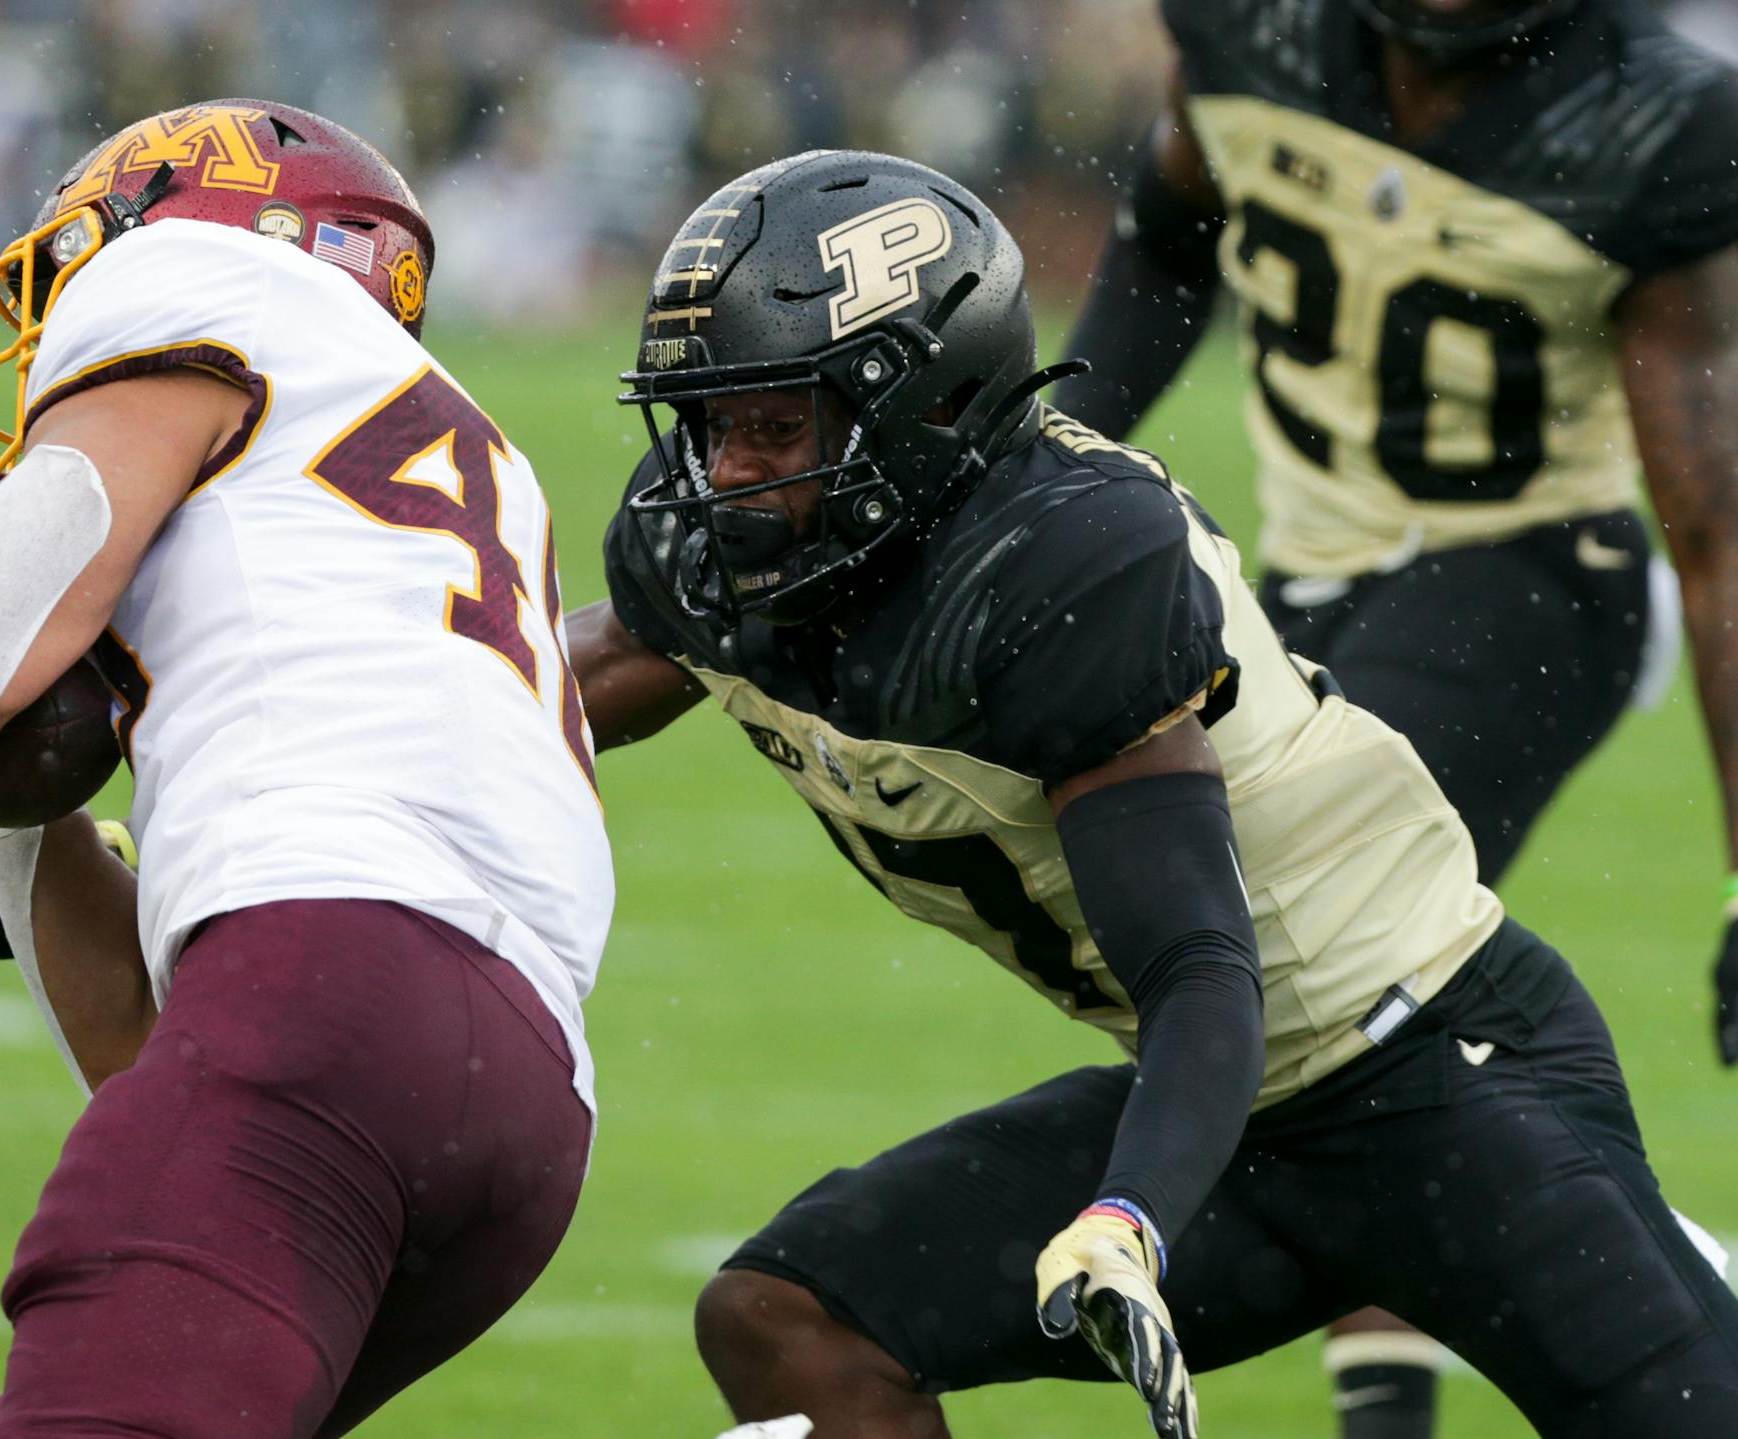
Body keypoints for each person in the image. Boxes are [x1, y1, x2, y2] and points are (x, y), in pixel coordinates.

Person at [569, 148, 1738, 1439]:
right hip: (1234, 1123)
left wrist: (1128, 1212)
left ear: (924, 407)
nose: (725, 475)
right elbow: (598, 661)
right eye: (711, 423)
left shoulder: (1064, 566)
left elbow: (1197, 967)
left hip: (1431, 1070)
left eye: (776, 426)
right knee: (789, 1319)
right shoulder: (738, 554)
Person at [0, 100, 611, 1437]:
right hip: (519, 1116)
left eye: (80, 259)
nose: (59, 314)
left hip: (330, 993)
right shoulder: (442, 482)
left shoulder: (196, 277)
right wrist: (21, 800)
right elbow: (146, 1057)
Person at [1050, 1, 1738, 1431]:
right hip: (1295, 584)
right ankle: (1424, 1387)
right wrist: (1051, 466)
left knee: (1321, 967)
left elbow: (1719, 538)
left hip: (1537, 575)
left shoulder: (1648, 123)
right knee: (1299, 989)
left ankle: (1656, 1300)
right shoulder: (1251, 35)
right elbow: (1171, 240)